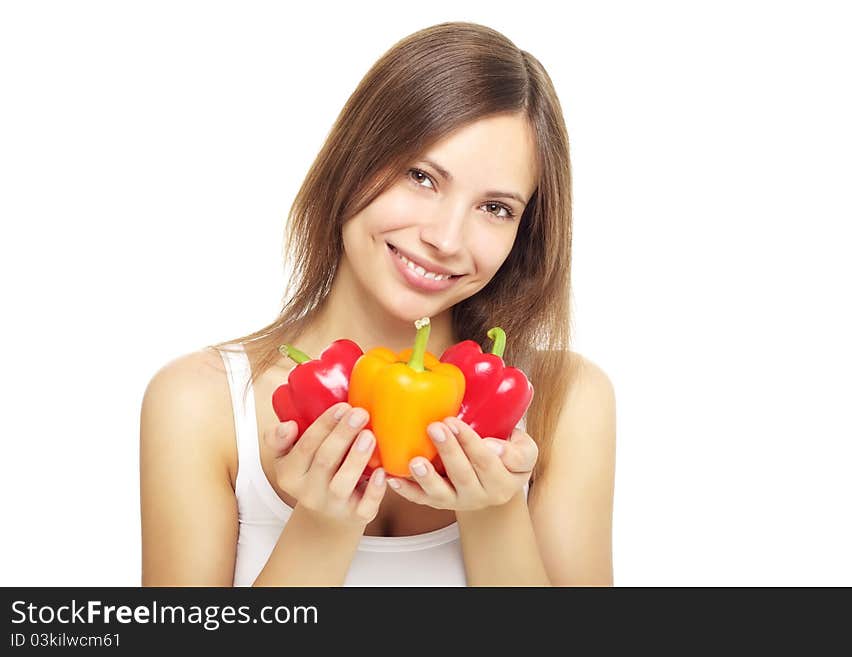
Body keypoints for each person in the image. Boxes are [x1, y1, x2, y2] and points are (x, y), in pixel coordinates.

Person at [139, 21, 616, 587]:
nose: (446, 238)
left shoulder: (564, 403)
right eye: (421, 177)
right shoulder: (203, 406)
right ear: (353, 160)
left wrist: (493, 514)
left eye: (495, 208)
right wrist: (321, 528)